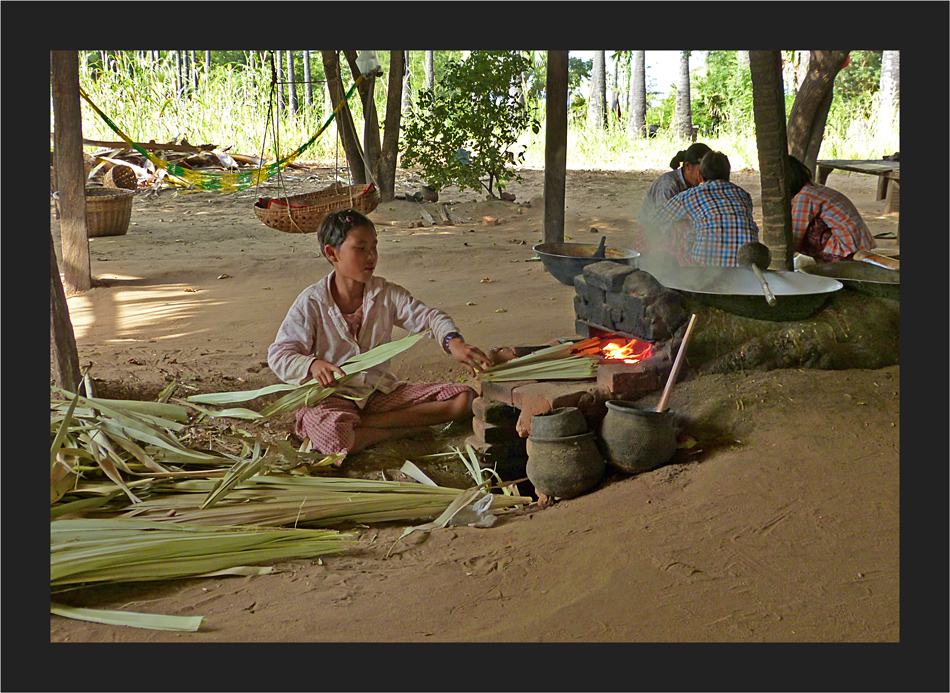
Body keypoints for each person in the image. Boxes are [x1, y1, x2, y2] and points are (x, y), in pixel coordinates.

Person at [267, 208, 494, 463]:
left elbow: (429, 317)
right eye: (360, 248)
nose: (371, 257)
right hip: (331, 401)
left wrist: (453, 342)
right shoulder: (312, 302)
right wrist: (312, 364)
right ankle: (396, 430)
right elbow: (279, 354)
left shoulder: (385, 294)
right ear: (332, 253)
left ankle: (367, 426)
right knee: (333, 435)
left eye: (374, 247)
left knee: (464, 399)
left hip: (377, 395)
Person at [654, 150, 760, 267]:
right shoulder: (743, 194)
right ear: (728, 175)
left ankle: (683, 271)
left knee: (681, 225)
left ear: (700, 176)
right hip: (745, 269)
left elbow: (658, 217)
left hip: (705, 270)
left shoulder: (692, 195)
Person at [788, 156, 873, 263]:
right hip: (859, 245)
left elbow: (796, 235)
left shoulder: (805, 196)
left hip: (847, 251)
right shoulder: (813, 188)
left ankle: (825, 262)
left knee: (803, 229)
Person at [636, 142, 712, 255]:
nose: (705, 175)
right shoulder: (667, 185)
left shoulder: (692, 185)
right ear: (687, 166)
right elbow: (664, 224)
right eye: (702, 170)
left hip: (673, 235)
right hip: (653, 235)